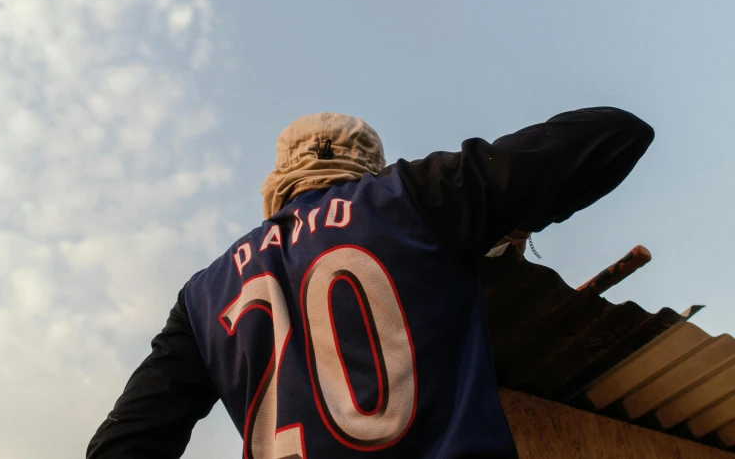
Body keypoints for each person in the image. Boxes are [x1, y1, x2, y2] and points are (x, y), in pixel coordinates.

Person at [87, 107, 654, 458]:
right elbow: (617, 133)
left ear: (279, 180)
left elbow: (125, 444)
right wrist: (488, 203)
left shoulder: (203, 294)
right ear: (368, 169)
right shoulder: (411, 199)